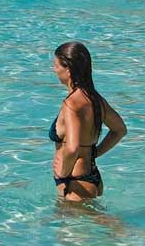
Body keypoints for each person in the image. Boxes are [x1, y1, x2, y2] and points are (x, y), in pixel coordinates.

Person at [50, 41, 127, 202]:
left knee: (103, 223)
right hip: (91, 176)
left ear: (68, 69)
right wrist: (95, 153)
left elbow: (72, 147)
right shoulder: (95, 99)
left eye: (56, 65)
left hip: (75, 181)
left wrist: (62, 174)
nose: (54, 70)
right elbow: (120, 130)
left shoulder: (71, 104)